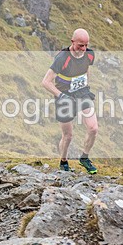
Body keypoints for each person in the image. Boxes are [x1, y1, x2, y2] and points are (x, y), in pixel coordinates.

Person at [42, 28, 98, 174]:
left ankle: (84, 158)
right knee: (68, 136)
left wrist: (86, 86)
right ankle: (63, 161)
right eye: (80, 45)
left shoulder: (90, 55)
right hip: (64, 97)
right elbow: (46, 82)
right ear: (72, 42)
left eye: (86, 45)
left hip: (82, 94)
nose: (84, 49)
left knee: (93, 128)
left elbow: (87, 70)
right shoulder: (62, 58)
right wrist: (60, 95)